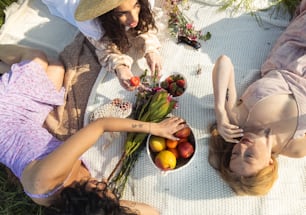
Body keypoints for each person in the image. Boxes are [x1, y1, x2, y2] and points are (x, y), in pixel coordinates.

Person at [0, 44, 186, 214]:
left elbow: (100, 125)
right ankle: (11, 75)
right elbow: (152, 212)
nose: (104, 183)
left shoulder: (45, 180)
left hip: (7, 116)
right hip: (31, 120)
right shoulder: (84, 202)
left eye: (101, 188)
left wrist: (154, 128)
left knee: (37, 57)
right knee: (56, 68)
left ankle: (12, 78)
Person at [208, 0, 306, 196]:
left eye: (236, 153)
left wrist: (221, 110)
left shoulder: (239, 120)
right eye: (250, 156)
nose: (242, 146)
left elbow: (224, 62)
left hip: (291, 50)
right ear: (269, 163)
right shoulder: (294, 148)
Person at [42, 0, 162, 91]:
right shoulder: (91, 22)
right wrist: (121, 68)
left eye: (136, 5)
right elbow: (105, 48)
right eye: (122, 13)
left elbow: (144, 23)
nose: (134, 18)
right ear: (106, 14)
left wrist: (151, 49)